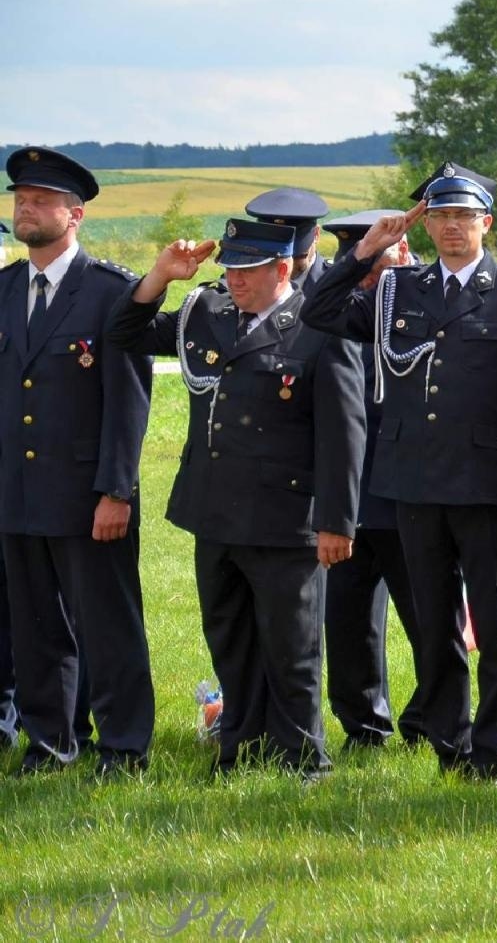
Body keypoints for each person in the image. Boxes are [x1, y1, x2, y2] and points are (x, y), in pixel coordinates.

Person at [106, 218, 363, 778]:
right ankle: (239, 747)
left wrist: (337, 520)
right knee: (228, 634)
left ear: (280, 268)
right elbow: (124, 333)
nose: (235, 281)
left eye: (247, 271)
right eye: (230, 270)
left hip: (285, 516)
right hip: (214, 510)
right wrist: (160, 277)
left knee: (292, 648)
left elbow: (345, 432)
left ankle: (302, 758)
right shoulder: (207, 312)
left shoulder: (319, 324)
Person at [301, 164, 497, 782]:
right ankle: (451, 745)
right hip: (414, 485)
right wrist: (366, 252)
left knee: (494, 625)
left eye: (464, 216)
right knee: (434, 627)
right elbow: (318, 309)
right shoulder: (399, 290)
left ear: (486, 222)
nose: (452, 228)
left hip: (485, 486)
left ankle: (493, 747)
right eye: (441, 216)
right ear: (425, 224)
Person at [0, 146, 155, 777]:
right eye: (19, 198)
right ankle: (51, 742)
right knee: (36, 628)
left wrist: (116, 491)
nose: (25, 208)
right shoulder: (5, 289)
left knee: (107, 627)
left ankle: (123, 747)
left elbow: (129, 401)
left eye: (40, 200)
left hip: (89, 496)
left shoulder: (111, 292)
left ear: (76, 214)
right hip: (18, 493)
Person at [316, 209, 431, 750]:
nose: (369, 279)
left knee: (428, 619)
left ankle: (432, 719)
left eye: (380, 265)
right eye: (359, 267)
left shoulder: (428, 305)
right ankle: (363, 725)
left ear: (405, 255)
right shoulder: (343, 314)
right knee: (348, 623)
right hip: (348, 500)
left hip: (412, 493)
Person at [246, 187, 330, 287]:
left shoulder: (334, 284)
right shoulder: (244, 281)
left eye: (296, 256)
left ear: (316, 235)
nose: (285, 264)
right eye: (273, 257)